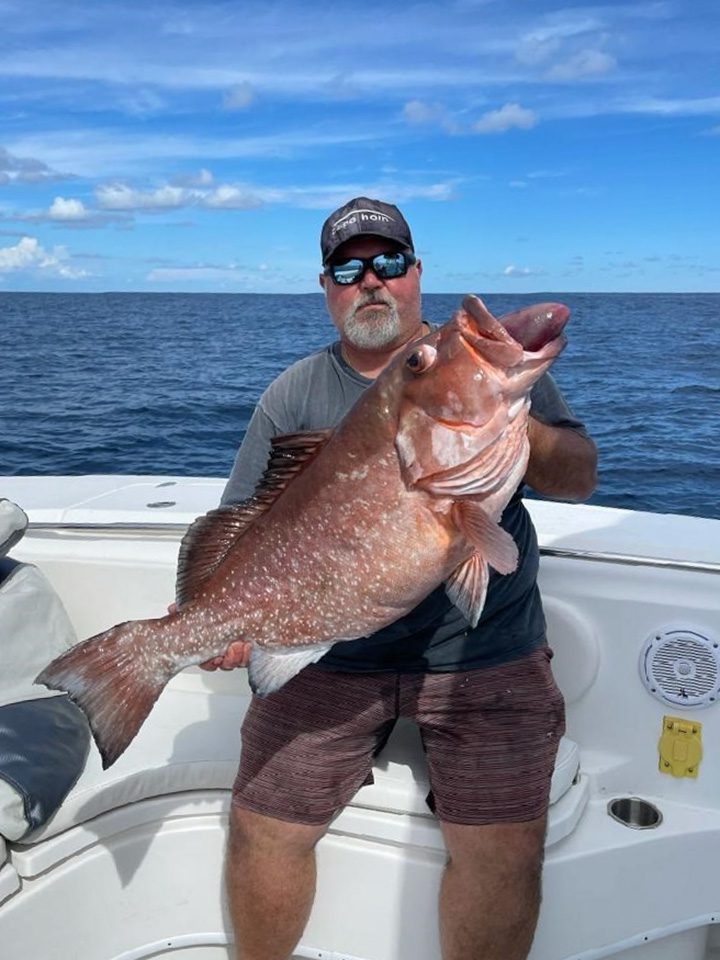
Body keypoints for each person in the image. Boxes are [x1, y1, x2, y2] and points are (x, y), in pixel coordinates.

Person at [205, 197, 598, 960]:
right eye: (348, 270)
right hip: (332, 652)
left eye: (389, 264)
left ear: (416, 275)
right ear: (327, 289)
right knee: (262, 825)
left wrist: (517, 423)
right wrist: (223, 617)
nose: (371, 282)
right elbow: (238, 525)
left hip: (485, 650)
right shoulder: (292, 395)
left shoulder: (480, 367)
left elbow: (580, 477)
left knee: (504, 850)